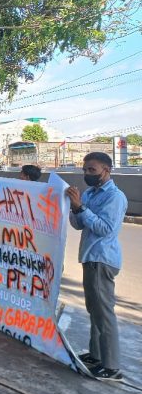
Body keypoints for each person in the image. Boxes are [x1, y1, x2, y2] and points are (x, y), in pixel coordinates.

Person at [66, 152, 127, 382]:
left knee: (104, 313)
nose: (87, 174)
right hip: (90, 258)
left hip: (103, 259)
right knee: (94, 310)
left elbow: (105, 228)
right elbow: (79, 225)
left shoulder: (115, 197)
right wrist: (74, 207)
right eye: (85, 170)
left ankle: (111, 366)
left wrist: (81, 207)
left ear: (106, 170)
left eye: (92, 170)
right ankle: (96, 354)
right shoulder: (90, 193)